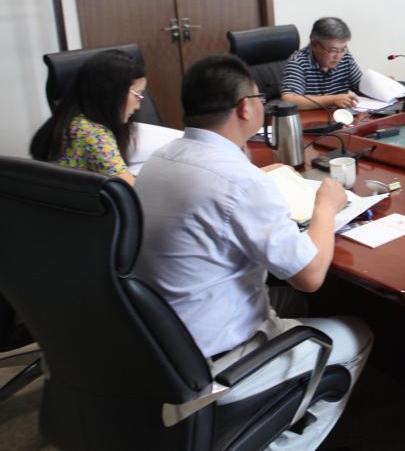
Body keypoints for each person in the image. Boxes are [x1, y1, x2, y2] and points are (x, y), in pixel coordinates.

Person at [133, 55, 372, 450]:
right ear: (246, 107)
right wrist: (326, 207)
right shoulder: (239, 181)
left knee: (293, 301)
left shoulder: (160, 159)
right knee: (357, 333)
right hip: (217, 359)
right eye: (260, 98)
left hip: (159, 344)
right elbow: (311, 275)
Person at [29, 49, 146, 185]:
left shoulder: (71, 120)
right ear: (113, 93)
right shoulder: (93, 135)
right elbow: (130, 189)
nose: (138, 106)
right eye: (137, 95)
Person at [282, 17, 361, 110]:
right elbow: (289, 100)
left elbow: (362, 87)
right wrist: (332, 100)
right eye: (333, 50)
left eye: (343, 49)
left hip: (339, 116)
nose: (338, 56)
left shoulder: (345, 57)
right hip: (312, 118)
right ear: (314, 44)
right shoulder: (298, 62)